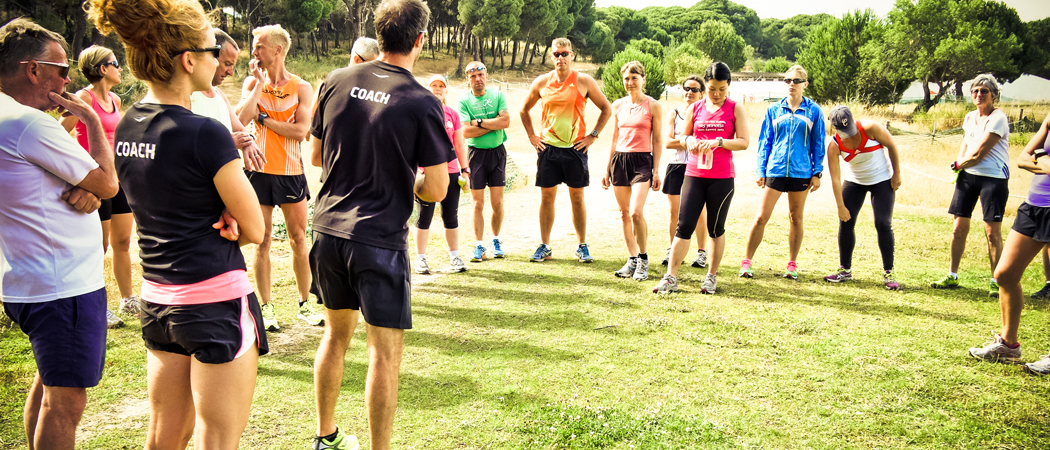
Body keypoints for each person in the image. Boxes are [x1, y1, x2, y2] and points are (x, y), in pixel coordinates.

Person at [89, 0, 269, 447]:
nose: (219, 60)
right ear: (188, 60)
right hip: (215, 301)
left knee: (165, 432)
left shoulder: (128, 123)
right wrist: (230, 220)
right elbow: (256, 229)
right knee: (217, 438)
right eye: (212, 50)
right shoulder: (204, 132)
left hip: (158, 302)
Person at [309, 0, 451, 447]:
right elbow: (438, 189)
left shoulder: (335, 80)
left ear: (380, 32)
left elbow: (314, 156)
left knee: (334, 336)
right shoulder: (421, 100)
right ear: (420, 39)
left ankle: (324, 437)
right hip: (378, 239)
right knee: (384, 354)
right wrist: (403, 179)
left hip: (328, 229)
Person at [0, 17, 119, 450]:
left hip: (29, 281)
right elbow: (107, 183)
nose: (68, 80)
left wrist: (87, 191)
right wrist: (87, 115)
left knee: (49, 389)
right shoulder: (31, 124)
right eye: (61, 68)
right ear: (33, 70)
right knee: (66, 404)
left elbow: (84, 188)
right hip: (62, 287)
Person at [235, 24, 321, 331]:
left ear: (278, 50)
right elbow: (240, 120)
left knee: (299, 239)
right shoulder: (251, 83)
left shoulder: (301, 87)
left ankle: (305, 304)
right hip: (257, 172)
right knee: (263, 240)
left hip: (291, 172)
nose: (254, 51)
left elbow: (301, 132)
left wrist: (264, 118)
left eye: (259, 46)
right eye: (254, 46)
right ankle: (267, 308)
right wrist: (257, 86)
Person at [653, 62, 750, 294]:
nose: (716, 94)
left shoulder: (736, 109)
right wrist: (690, 141)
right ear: (705, 85)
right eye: (712, 89)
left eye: (722, 89)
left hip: (722, 178)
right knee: (684, 225)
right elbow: (684, 135)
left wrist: (719, 142)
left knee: (716, 228)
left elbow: (744, 142)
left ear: (728, 87)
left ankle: (711, 277)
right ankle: (670, 278)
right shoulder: (695, 108)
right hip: (694, 174)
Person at [58, 44, 135, 328]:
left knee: (123, 242)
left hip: (119, 180)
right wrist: (77, 170)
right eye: (115, 63)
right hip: (95, 182)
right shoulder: (83, 97)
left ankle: (128, 299)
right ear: (102, 68)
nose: (120, 67)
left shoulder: (114, 98)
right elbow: (60, 131)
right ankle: (96, 306)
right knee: (98, 246)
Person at [968, 111, 1050, 375]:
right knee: (1004, 274)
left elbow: (1033, 158)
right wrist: (1042, 161)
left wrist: (1039, 158)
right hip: (1035, 205)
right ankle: (1008, 345)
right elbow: (1022, 158)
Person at [520, 38, 612, 263]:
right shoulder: (542, 82)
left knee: (577, 198)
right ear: (551, 56)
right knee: (547, 197)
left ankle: (582, 245)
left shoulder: (584, 81)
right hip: (548, 149)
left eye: (564, 53)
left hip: (575, 149)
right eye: (556, 54)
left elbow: (606, 109)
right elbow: (524, 111)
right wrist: (533, 136)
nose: (560, 58)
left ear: (572, 55)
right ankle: (545, 245)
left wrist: (593, 135)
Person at [740, 64, 825, 280]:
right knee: (761, 217)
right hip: (775, 170)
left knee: (796, 218)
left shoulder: (814, 111)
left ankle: (792, 265)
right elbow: (764, 142)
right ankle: (746, 263)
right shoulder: (774, 109)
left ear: (805, 84)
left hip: (801, 172)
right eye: (787, 80)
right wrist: (761, 169)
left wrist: (817, 172)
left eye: (796, 81)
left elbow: (818, 143)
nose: (791, 84)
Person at [932, 74, 1010, 298]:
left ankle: (996, 280)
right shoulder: (969, 117)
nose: (979, 95)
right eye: (975, 91)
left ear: (993, 95)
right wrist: (959, 169)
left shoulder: (998, 118)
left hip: (993, 179)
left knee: (992, 233)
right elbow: (966, 146)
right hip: (968, 177)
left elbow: (978, 153)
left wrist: (958, 164)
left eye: (984, 91)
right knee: (958, 228)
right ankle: (952, 275)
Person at [823, 106, 902, 290]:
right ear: (834, 128)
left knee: (883, 223)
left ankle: (889, 272)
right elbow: (835, 179)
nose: (848, 135)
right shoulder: (834, 146)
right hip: (854, 182)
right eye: (843, 132)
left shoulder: (871, 128)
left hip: (882, 180)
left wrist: (896, 173)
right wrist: (840, 206)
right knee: (846, 222)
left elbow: (891, 146)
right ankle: (845, 270)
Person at [601, 61, 663, 281]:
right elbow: (613, 139)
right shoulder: (617, 105)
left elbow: (657, 140)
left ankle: (644, 259)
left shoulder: (653, 106)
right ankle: (632, 259)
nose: (630, 82)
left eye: (634, 78)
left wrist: (656, 170)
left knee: (636, 212)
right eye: (626, 78)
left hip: (642, 161)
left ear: (643, 79)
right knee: (624, 214)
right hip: (620, 160)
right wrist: (607, 168)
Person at [415, 74, 470, 275]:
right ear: (427, 89)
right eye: (433, 86)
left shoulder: (452, 114)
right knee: (424, 216)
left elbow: (459, 144)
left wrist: (466, 170)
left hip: (452, 172)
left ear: (446, 90)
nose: (437, 89)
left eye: (441, 86)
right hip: (426, 172)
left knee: (451, 216)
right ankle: (420, 259)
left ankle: (454, 257)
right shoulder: (419, 112)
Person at [190, 29, 267, 172]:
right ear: (210, 56)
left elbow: (240, 129)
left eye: (233, 66)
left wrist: (248, 142)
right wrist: (225, 143)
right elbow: (184, 147)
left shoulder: (219, 94)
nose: (231, 72)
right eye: (227, 64)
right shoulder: (187, 96)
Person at [457, 61, 510, 262]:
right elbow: (465, 132)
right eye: (473, 76)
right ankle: (479, 245)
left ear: (486, 75)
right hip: (475, 155)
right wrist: (493, 124)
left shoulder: (497, 95)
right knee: (477, 203)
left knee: (497, 202)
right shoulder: (464, 101)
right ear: (467, 79)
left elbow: (505, 122)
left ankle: (495, 240)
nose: (477, 79)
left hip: (497, 153)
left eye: (480, 75)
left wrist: (477, 122)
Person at [661, 75, 709, 268]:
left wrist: (683, 140)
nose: (689, 92)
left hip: (697, 167)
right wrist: (688, 141)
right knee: (674, 212)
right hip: (676, 166)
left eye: (694, 89)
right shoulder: (674, 114)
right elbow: (667, 142)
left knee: (699, 212)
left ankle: (701, 252)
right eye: (686, 88)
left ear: (702, 93)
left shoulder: (705, 114)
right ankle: (673, 249)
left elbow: (705, 142)